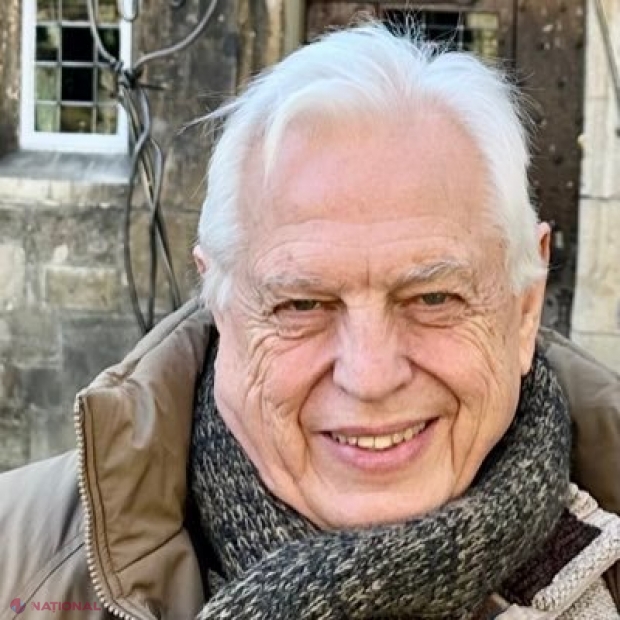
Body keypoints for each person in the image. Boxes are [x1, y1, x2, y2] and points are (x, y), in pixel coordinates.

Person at [1, 22, 619, 620]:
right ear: (220, 303)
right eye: (302, 305)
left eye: (433, 298)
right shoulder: (19, 572)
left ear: (525, 306)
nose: (369, 377)